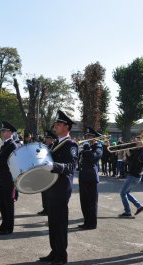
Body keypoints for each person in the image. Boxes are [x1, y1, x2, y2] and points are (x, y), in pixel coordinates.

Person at [39, 110, 78, 265]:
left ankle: (62, 256)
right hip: (51, 186)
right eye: (56, 123)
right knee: (53, 221)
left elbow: (72, 165)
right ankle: (54, 251)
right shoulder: (55, 143)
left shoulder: (71, 144)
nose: (56, 125)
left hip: (62, 188)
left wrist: (54, 165)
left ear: (67, 127)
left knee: (60, 223)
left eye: (59, 123)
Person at [77, 127, 102, 230]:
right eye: (87, 136)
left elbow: (93, 159)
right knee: (84, 202)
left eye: (90, 136)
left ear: (94, 138)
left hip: (91, 178)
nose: (87, 138)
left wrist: (86, 149)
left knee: (91, 202)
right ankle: (86, 221)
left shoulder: (98, 147)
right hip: (83, 176)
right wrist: (80, 150)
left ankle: (92, 223)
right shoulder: (85, 146)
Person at [118, 137, 143, 217]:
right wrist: (127, 152)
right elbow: (129, 160)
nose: (135, 142)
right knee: (126, 193)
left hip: (134, 175)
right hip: (133, 175)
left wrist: (129, 154)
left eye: (137, 141)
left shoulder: (142, 152)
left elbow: (136, 162)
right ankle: (139, 207)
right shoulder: (136, 150)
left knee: (122, 193)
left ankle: (127, 212)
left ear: (142, 142)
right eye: (135, 141)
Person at [37, 130, 57, 216]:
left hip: (50, 172)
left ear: (52, 139)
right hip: (43, 171)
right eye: (46, 138)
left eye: (48, 138)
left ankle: (49, 209)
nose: (46, 140)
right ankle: (45, 208)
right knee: (43, 191)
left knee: (49, 192)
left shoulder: (55, 147)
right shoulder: (45, 146)